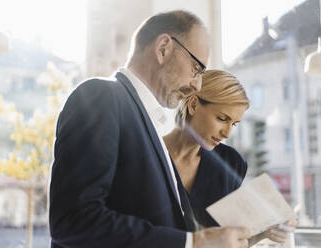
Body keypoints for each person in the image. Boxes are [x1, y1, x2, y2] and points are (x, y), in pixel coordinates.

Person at [49, 11, 250, 248]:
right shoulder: (101, 96)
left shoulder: (147, 124)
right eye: (197, 69)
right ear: (163, 48)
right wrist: (194, 243)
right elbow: (73, 219)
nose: (197, 85)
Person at [164, 69, 296, 247]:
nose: (227, 133)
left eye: (233, 123)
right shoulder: (146, 154)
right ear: (193, 104)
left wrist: (264, 232)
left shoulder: (231, 163)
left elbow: (230, 242)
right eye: (221, 118)